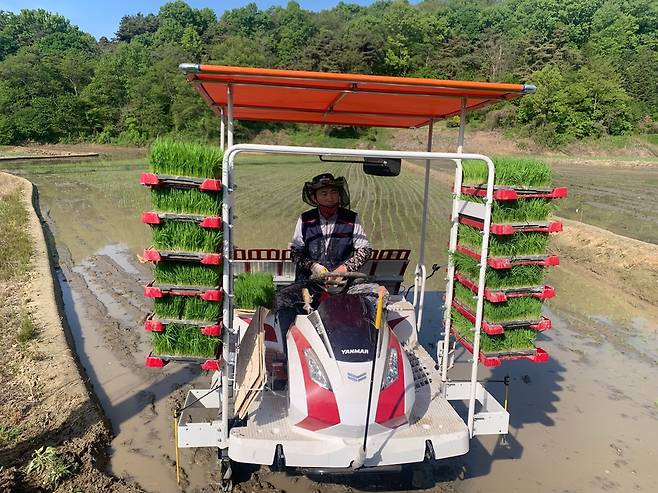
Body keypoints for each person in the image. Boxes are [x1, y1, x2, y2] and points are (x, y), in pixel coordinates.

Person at [275, 173, 372, 349]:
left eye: (333, 192)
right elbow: (295, 253)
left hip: (345, 284)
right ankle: (288, 350)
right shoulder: (305, 220)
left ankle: (367, 348)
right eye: (324, 193)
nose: (329, 197)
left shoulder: (351, 219)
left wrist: (344, 270)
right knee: (282, 299)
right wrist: (314, 266)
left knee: (375, 297)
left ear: (339, 194)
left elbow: (364, 250)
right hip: (310, 283)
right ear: (314, 196)